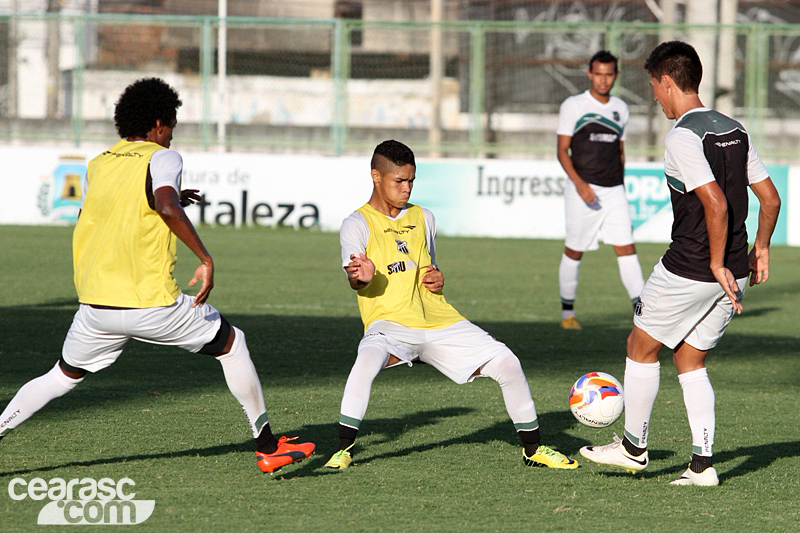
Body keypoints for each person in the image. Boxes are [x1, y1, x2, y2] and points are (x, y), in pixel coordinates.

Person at [0, 78, 313, 475]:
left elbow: (97, 216)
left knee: (61, 376)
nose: (172, 135)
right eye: (172, 127)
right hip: (151, 303)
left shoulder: (99, 162)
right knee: (233, 344)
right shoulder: (164, 157)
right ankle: (268, 447)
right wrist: (205, 257)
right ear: (160, 124)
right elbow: (164, 205)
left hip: (96, 307)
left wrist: (168, 199)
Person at [579, 42, 781, 486]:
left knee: (640, 347)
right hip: (736, 270)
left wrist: (713, 263)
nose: (654, 97)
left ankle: (633, 448)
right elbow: (770, 198)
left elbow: (716, 205)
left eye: (654, 87)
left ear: (667, 82)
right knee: (690, 360)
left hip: (694, 266)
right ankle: (702, 466)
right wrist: (761, 248)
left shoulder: (682, 136)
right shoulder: (735, 129)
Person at [323, 139, 577, 471]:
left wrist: (438, 278)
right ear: (376, 176)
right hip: (390, 326)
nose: (407, 188)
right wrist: (363, 277)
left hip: (440, 321)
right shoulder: (356, 224)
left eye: (411, 180)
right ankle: (344, 449)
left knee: (507, 362)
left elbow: (431, 269)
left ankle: (534, 449)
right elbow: (356, 278)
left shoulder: (424, 217)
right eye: (399, 181)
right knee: (366, 360)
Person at [556, 50, 644, 330]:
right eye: (598, 74)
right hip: (583, 189)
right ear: (590, 74)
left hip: (614, 190)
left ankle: (643, 314)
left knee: (627, 248)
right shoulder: (573, 105)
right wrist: (580, 184)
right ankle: (567, 315)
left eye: (609, 75)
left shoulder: (621, 108)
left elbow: (620, 151)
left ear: (616, 76)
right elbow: (561, 150)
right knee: (574, 251)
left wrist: (620, 183)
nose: (603, 80)